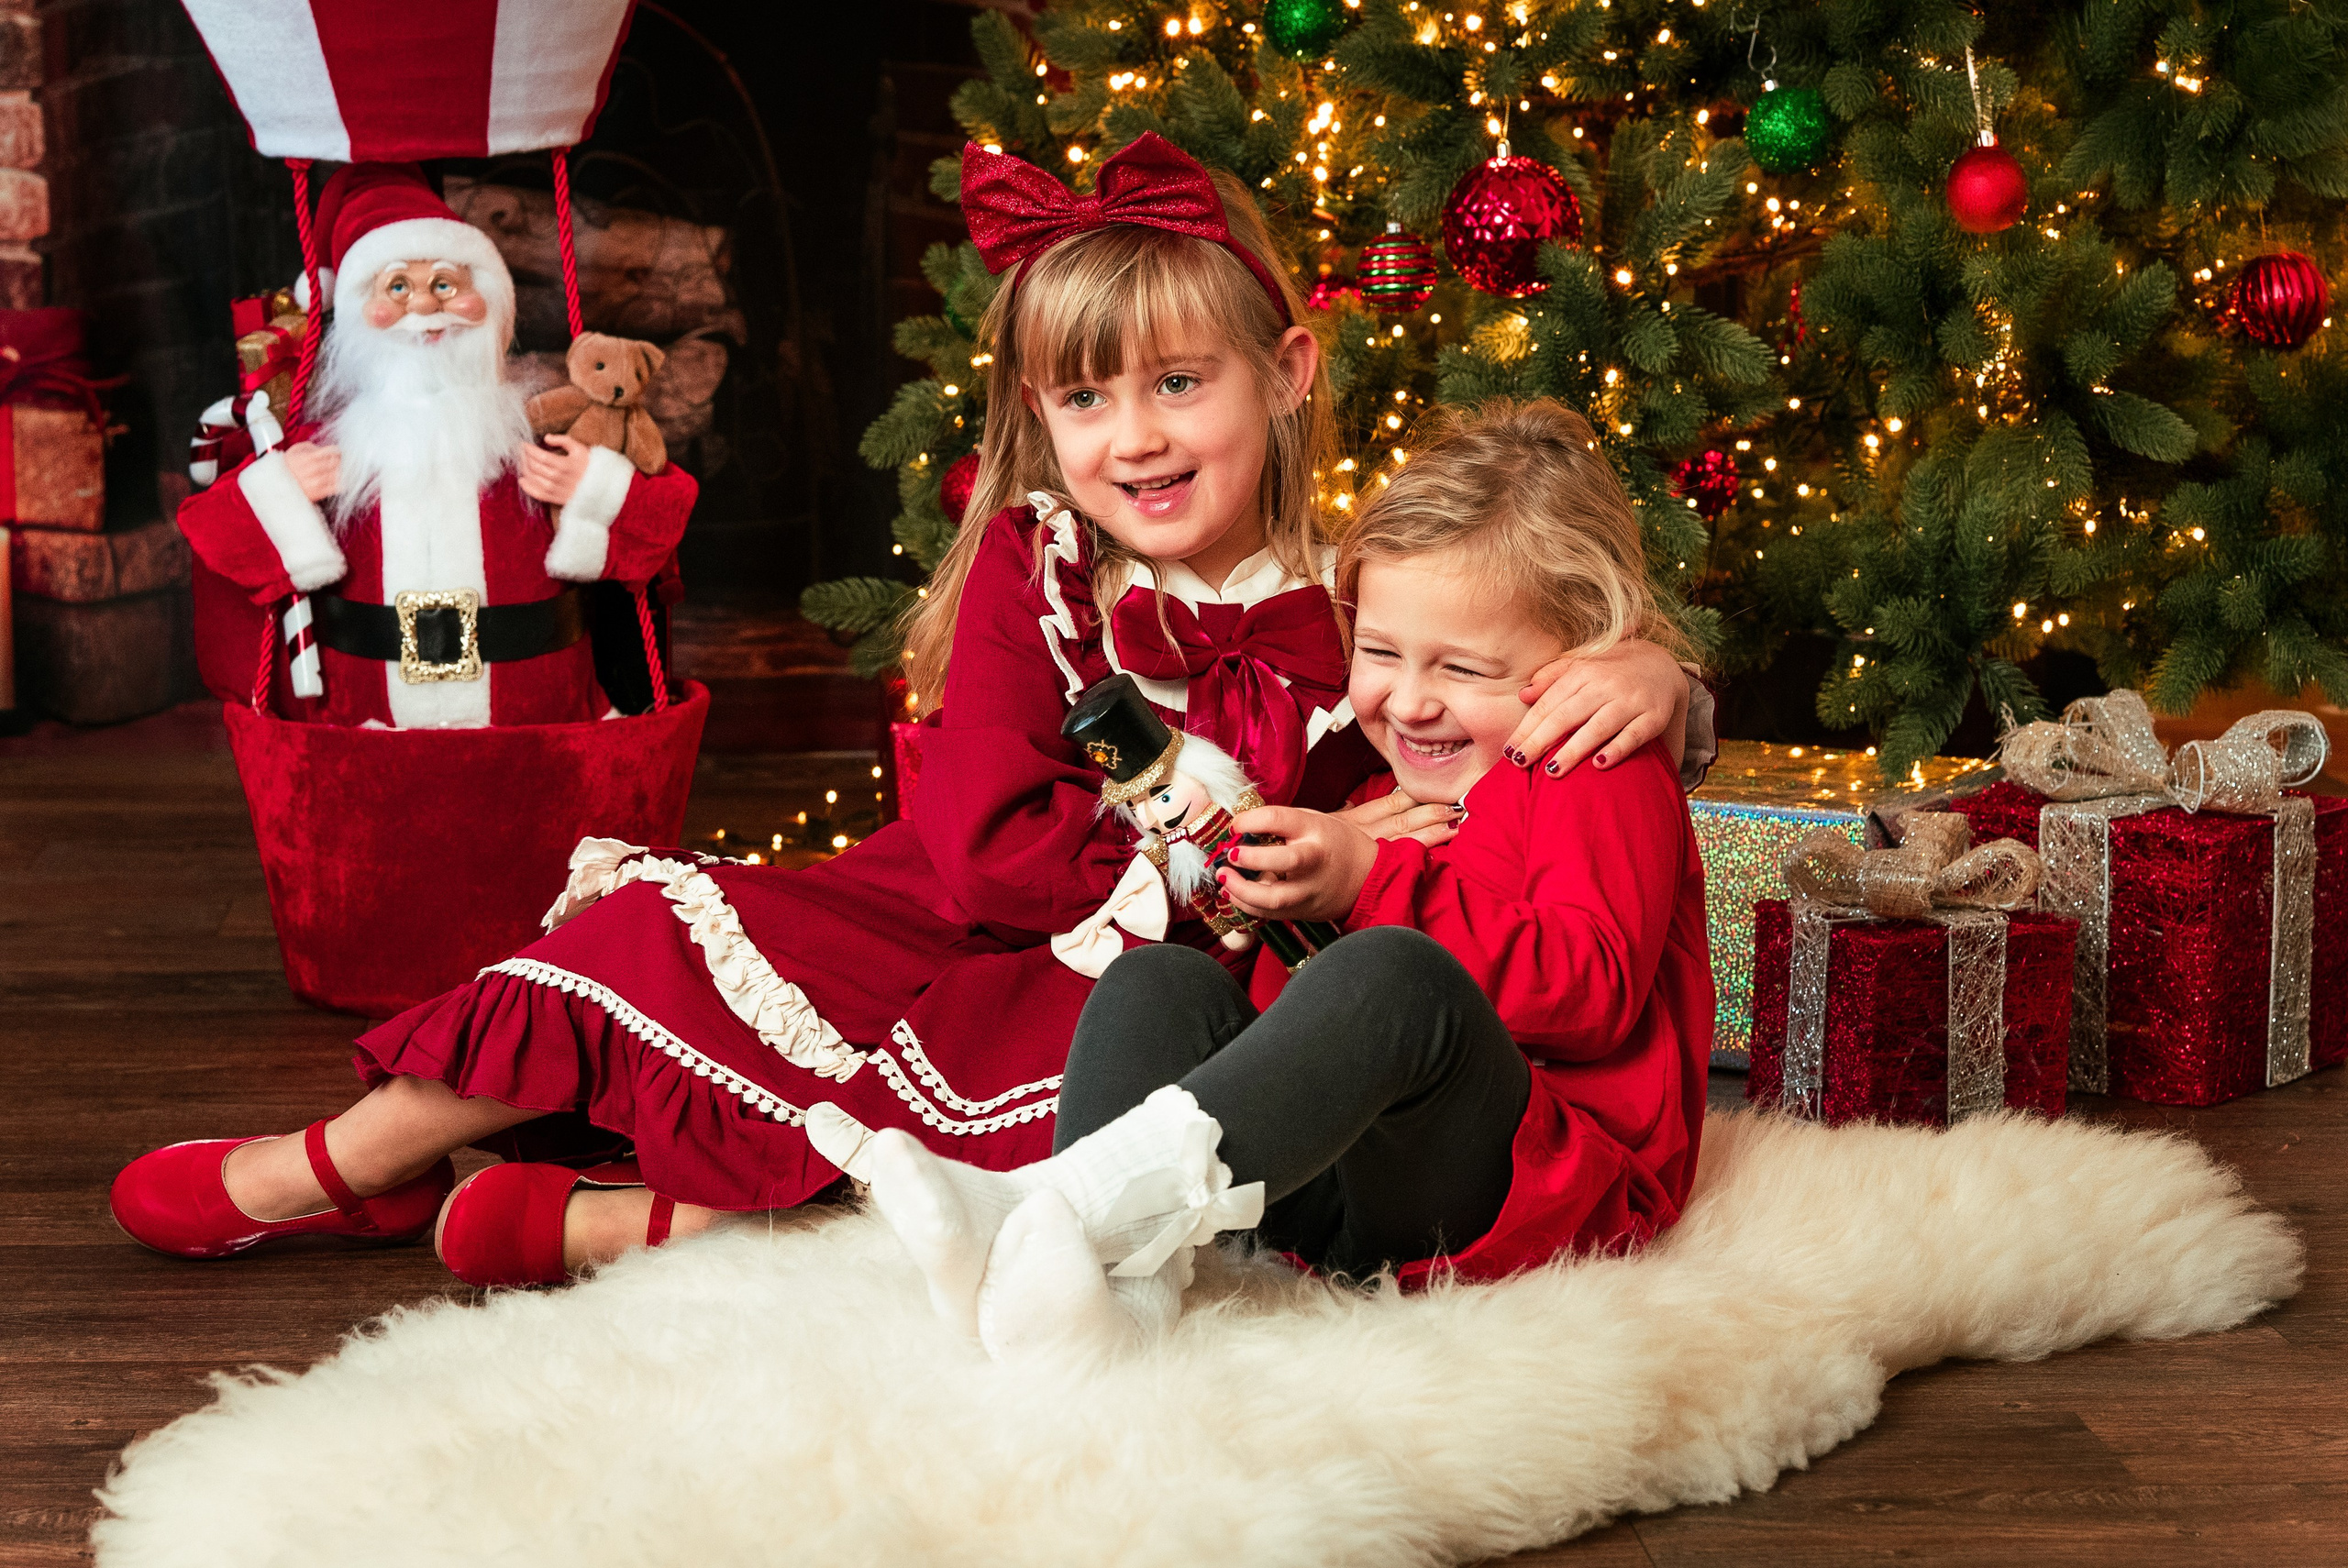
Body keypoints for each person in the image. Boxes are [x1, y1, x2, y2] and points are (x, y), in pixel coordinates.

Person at [112, 138, 1701, 1286]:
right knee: (657, 937)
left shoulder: (1365, 593)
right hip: (969, 917)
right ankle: (356, 1164)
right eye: (1083, 400)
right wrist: (1275, 854)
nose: (1133, 438)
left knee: (1122, 1112)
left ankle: (670, 1227)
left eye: (1177, 386)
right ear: (1037, 418)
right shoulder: (1042, 568)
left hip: (1176, 978)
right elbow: (996, 853)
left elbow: (1518, 661)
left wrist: (1662, 681)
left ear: (1286, 374)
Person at [809, 399, 1712, 1363]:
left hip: (1537, 1193)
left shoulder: (1593, 767)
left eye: (1464, 669)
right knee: (1159, 983)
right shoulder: (1379, 789)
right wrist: (1279, 909)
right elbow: (1322, 1023)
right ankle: (1114, 1295)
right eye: (1376, 652)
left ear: (1576, 665)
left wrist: (1369, 887)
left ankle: (1048, 1209)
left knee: (1396, 975)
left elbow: (1591, 992)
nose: (1409, 701)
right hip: (1348, 1197)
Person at [178, 161, 696, 727]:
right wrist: (281, 490)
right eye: (397, 287)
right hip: (372, 729)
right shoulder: (326, 447)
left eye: (445, 284)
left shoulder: (542, 432)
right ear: (356, 316)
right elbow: (212, 532)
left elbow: (663, 520)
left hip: (538, 726)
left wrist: (593, 488)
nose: (424, 308)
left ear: (491, 300)